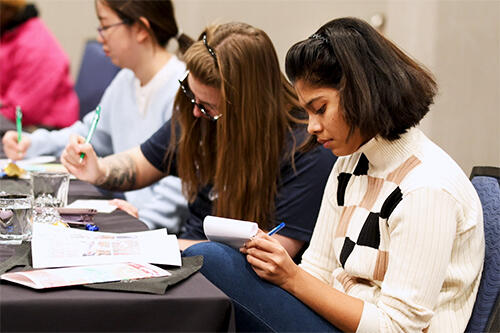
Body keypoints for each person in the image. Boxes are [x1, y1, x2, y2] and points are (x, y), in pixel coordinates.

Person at [183, 17, 485, 332]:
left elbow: (398, 329)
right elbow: (318, 268)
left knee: (211, 259)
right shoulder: (349, 162)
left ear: (360, 92)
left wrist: (291, 277)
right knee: (215, 262)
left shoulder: (426, 188)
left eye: (320, 108)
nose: (312, 127)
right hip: (336, 322)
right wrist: (283, 271)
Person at [60, 22, 337, 257]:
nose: (195, 111)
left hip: (243, 284)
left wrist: (153, 244)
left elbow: (274, 253)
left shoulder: (306, 148)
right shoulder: (199, 118)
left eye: (208, 107)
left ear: (246, 108)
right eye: (191, 97)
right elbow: (140, 163)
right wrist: (98, 169)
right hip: (189, 255)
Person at [2, 0, 191, 233]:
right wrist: (34, 143)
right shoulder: (125, 80)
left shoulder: (183, 91)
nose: (100, 37)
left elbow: (181, 183)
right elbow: (88, 134)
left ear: (141, 30)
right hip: (130, 217)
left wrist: (142, 224)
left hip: (160, 232)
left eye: (105, 26)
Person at [0, 0, 78, 130]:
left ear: (6, 11)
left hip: (46, 129)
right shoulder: (7, 35)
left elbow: (22, 111)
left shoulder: (34, 45)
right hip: (17, 120)